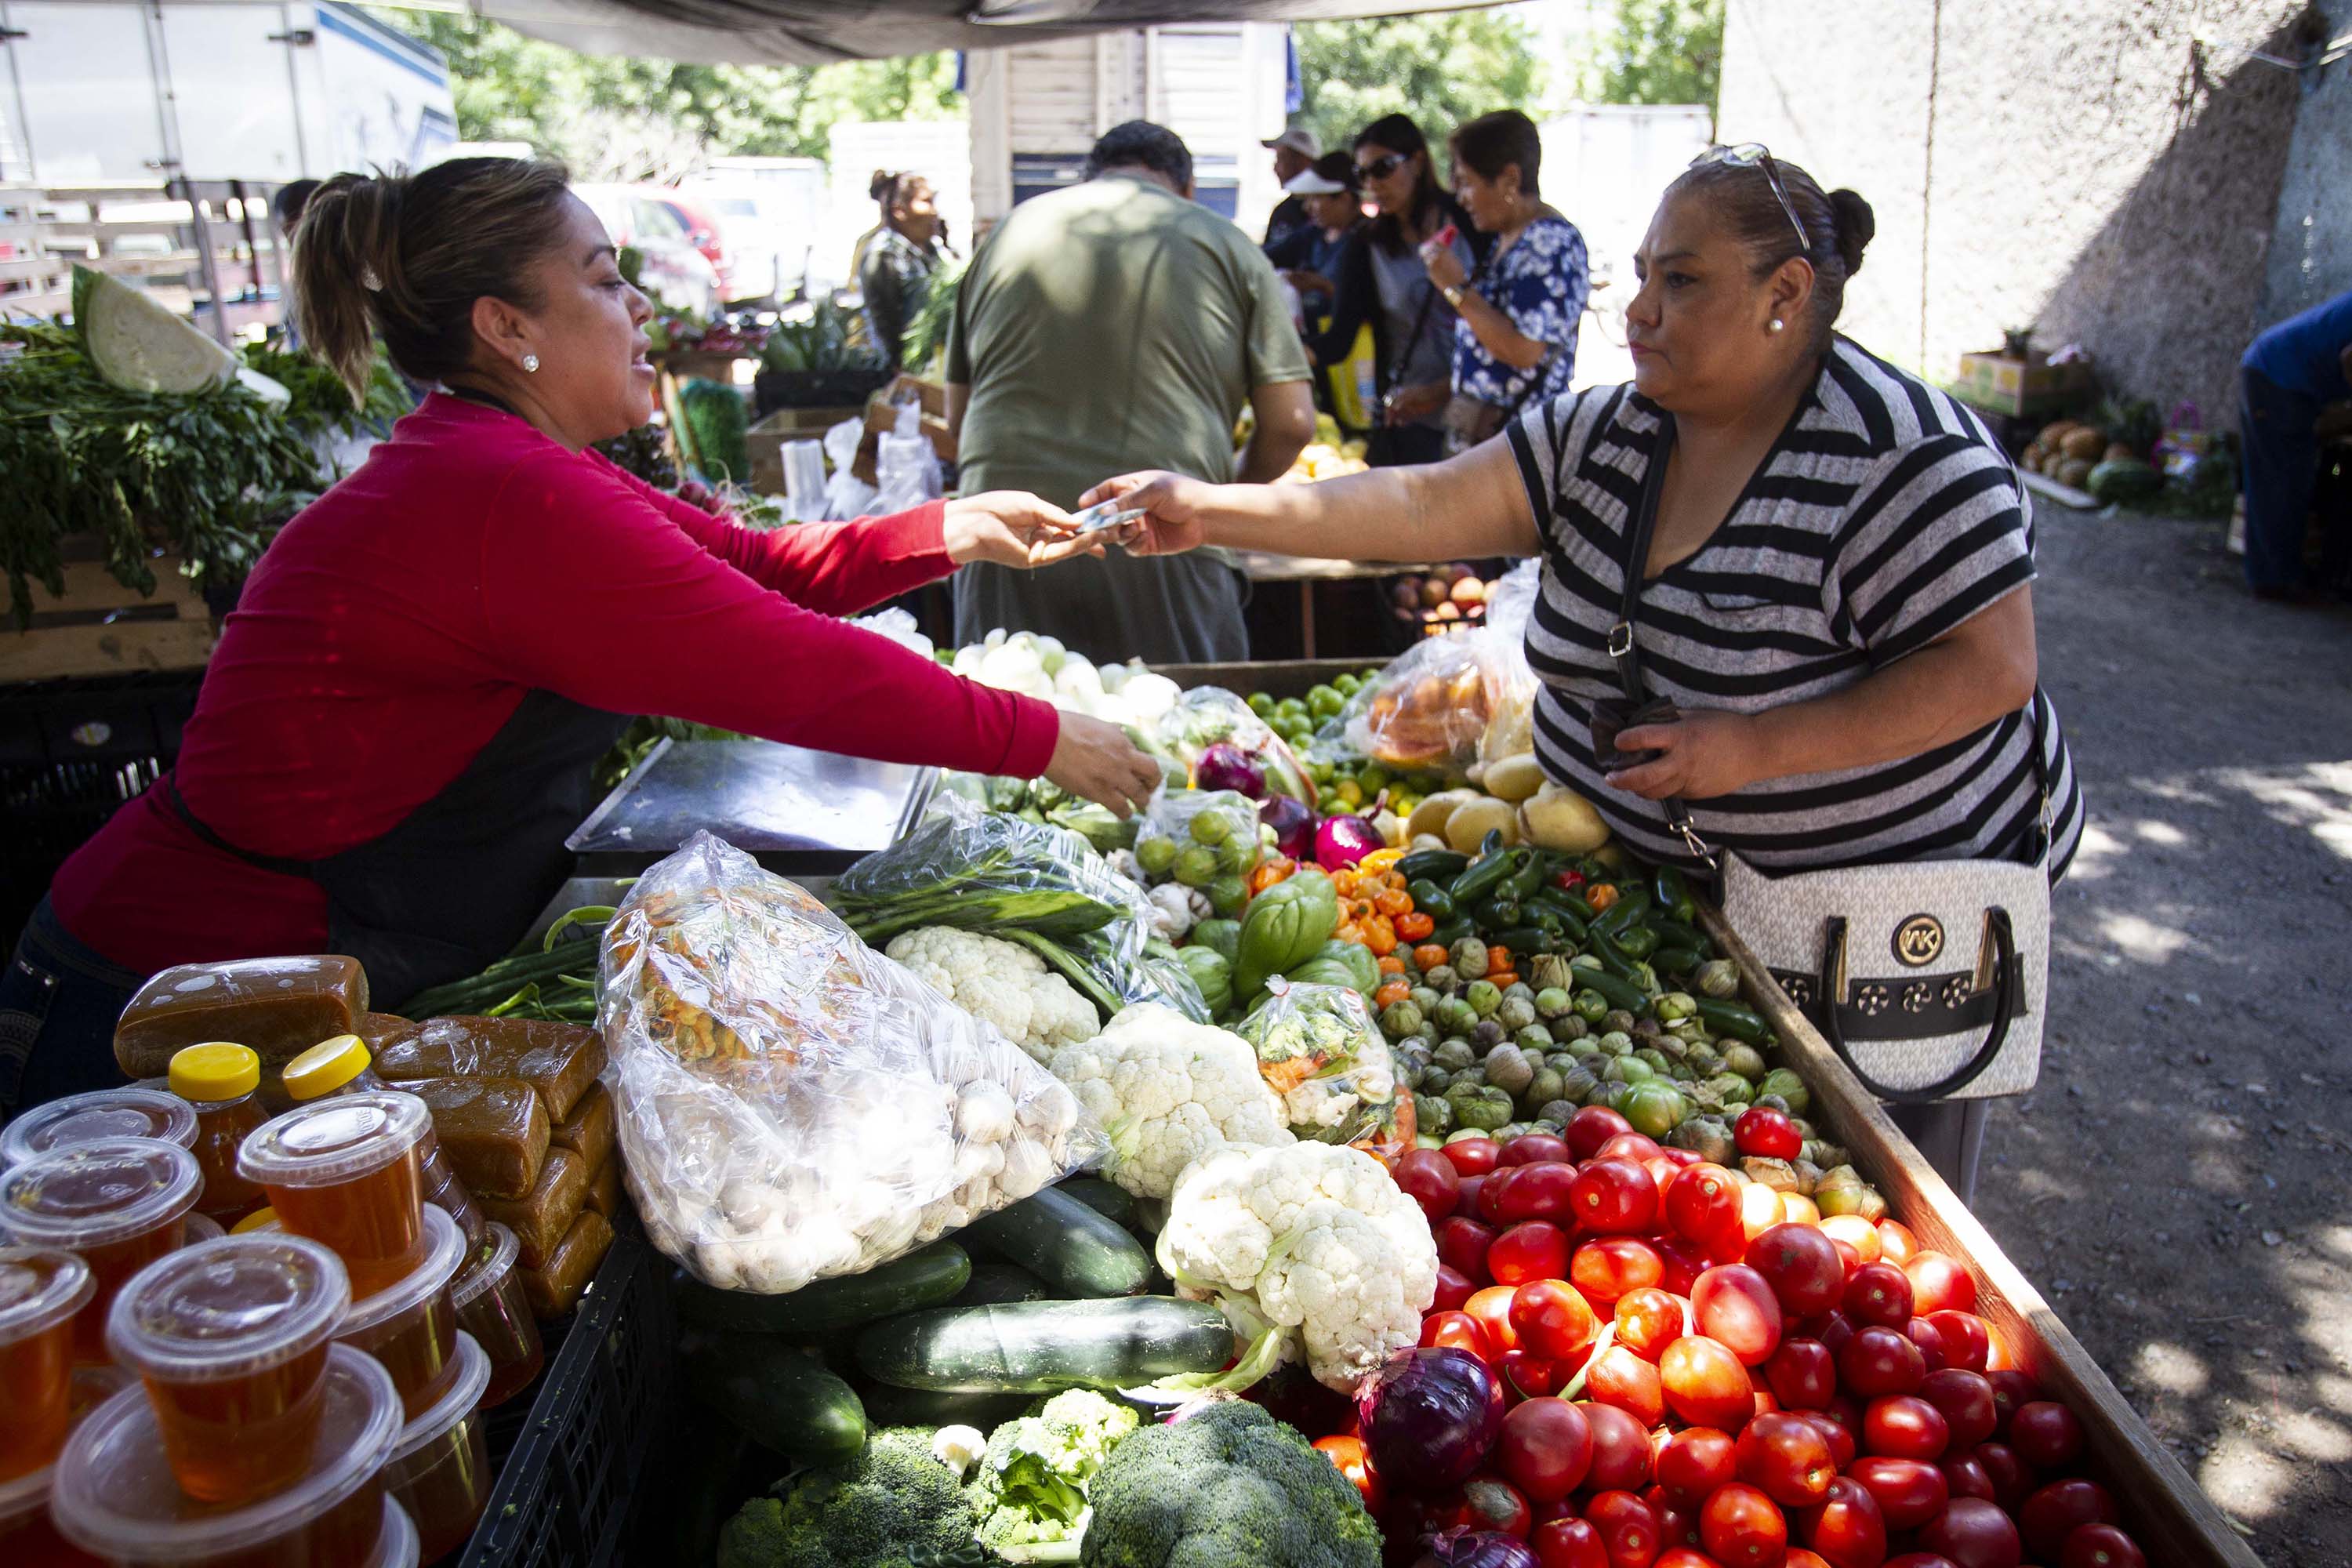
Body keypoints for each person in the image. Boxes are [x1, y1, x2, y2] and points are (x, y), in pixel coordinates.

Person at [0, 157, 1160, 1120]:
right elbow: (780, 667)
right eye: (606, 281)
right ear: (509, 328)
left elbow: (750, 571)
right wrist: (1036, 734)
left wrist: (948, 530)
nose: (643, 310)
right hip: (168, 995)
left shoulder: (507, 465)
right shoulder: (501, 495)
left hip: (292, 968)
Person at [1081, 149, 2085, 1203]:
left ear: (1785, 294)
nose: (1639, 311)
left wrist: (1753, 748)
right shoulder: (1609, 435)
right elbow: (1425, 505)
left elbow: (1991, 668)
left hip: (1890, 900)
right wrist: (1210, 509)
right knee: (1746, 1178)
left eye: (1682, 281)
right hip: (1703, 892)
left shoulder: (1906, 459)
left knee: (1889, 1176)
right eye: (1641, 275)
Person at [946, 121, 1315, 666]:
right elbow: (1292, 424)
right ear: (1184, 188)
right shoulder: (1224, 241)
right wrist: (1215, 501)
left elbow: (958, 417)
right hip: (1164, 534)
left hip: (1007, 538)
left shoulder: (1006, 235)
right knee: (1185, 735)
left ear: (1092, 177)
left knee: (1009, 732)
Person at [1304, 114, 1485, 466]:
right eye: (1362, 175)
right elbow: (1338, 340)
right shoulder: (1367, 245)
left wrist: (1442, 389)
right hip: (1408, 422)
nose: (1372, 183)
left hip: (1477, 418)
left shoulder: (1471, 224)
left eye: (1382, 168)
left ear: (1417, 162)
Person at [1430, 111, 1588, 452]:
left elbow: (1524, 350)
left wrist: (1455, 288)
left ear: (1510, 180)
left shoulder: (1549, 244)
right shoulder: (1510, 239)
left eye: (1467, 182)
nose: (1462, 198)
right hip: (1488, 440)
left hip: (1518, 449)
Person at [2238, 288, 2352, 601]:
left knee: (2277, 478)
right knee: (2284, 481)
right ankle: (2279, 580)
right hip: (2280, 377)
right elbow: (2349, 358)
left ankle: (2270, 576)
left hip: (2270, 367)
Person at [1261, 152, 1365, 321]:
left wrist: (1323, 287)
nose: (1307, 207)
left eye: (1316, 197)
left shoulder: (1368, 241)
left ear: (1345, 199)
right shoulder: (1311, 235)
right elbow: (1263, 255)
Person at [860, 171, 944, 372]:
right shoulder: (883, 256)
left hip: (930, 366)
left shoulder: (931, 251)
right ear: (900, 210)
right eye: (926, 202)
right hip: (902, 372)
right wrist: (900, 369)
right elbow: (885, 323)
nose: (934, 212)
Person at [1262, 125, 1320, 250]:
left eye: (1281, 159)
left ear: (1303, 161)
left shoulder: (1325, 215)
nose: (1275, 168)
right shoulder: (1281, 211)